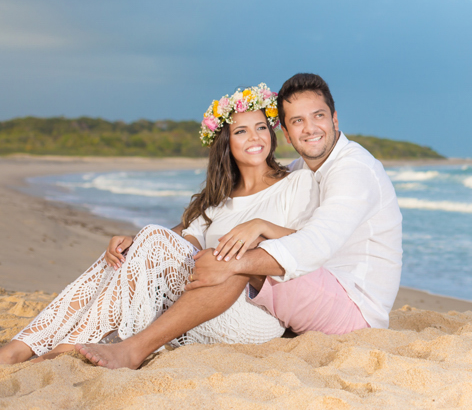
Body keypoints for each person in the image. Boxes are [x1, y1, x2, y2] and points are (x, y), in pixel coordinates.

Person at [74, 73, 403, 370]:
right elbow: (211, 225)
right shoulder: (305, 169)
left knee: (239, 256)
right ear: (286, 133)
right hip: (321, 290)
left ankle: (135, 348)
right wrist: (147, 240)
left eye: (318, 116)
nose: (311, 128)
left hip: (355, 310)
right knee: (236, 250)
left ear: (334, 118)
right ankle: (67, 339)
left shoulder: (353, 169)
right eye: (298, 121)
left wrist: (235, 260)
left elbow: (317, 242)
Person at [0, 83, 314, 365]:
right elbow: (181, 249)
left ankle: (65, 348)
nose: (255, 137)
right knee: (124, 255)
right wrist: (133, 244)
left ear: (272, 134)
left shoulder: (295, 182)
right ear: (226, 142)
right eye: (241, 130)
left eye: (261, 127)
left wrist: (261, 226)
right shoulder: (218, 198)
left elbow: (312, 245)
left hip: (253, 315)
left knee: (151, 236)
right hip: (197, 307)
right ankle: (22, 345)